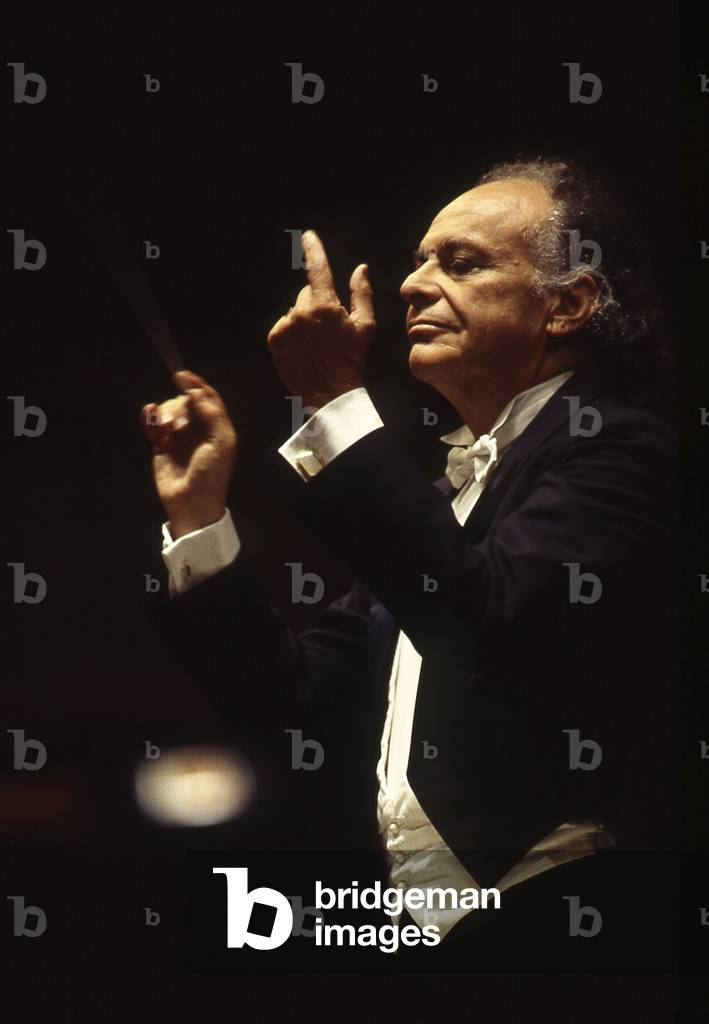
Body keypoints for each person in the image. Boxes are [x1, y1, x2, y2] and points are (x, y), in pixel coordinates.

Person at [141, 158, 677, 970]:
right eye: (420, 260)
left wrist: (334, 407)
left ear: (568, 304)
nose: (411, 286)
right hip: (430, 939)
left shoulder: (618, 447)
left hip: (575, 911)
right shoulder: (441, 497)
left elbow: (488, 618)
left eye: (460, 263)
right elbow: (294, 703)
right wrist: (199, 516)